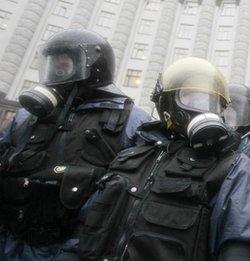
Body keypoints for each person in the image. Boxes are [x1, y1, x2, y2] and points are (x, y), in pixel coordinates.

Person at [76, 57, 250, 261]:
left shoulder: (232, 165)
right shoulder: (130, 154)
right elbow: (85, 227)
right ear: (167, 105)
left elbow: (240, 247)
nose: (204, 108)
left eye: (210, 101)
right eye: (192, 97)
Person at [0, 29, 151, 260]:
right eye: (53, 65)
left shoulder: (132, 120)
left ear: (94, 67)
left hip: (73, 250)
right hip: (9, 241)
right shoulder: (26, 116)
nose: (56, 72)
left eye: (65, 65)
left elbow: (133, 199)